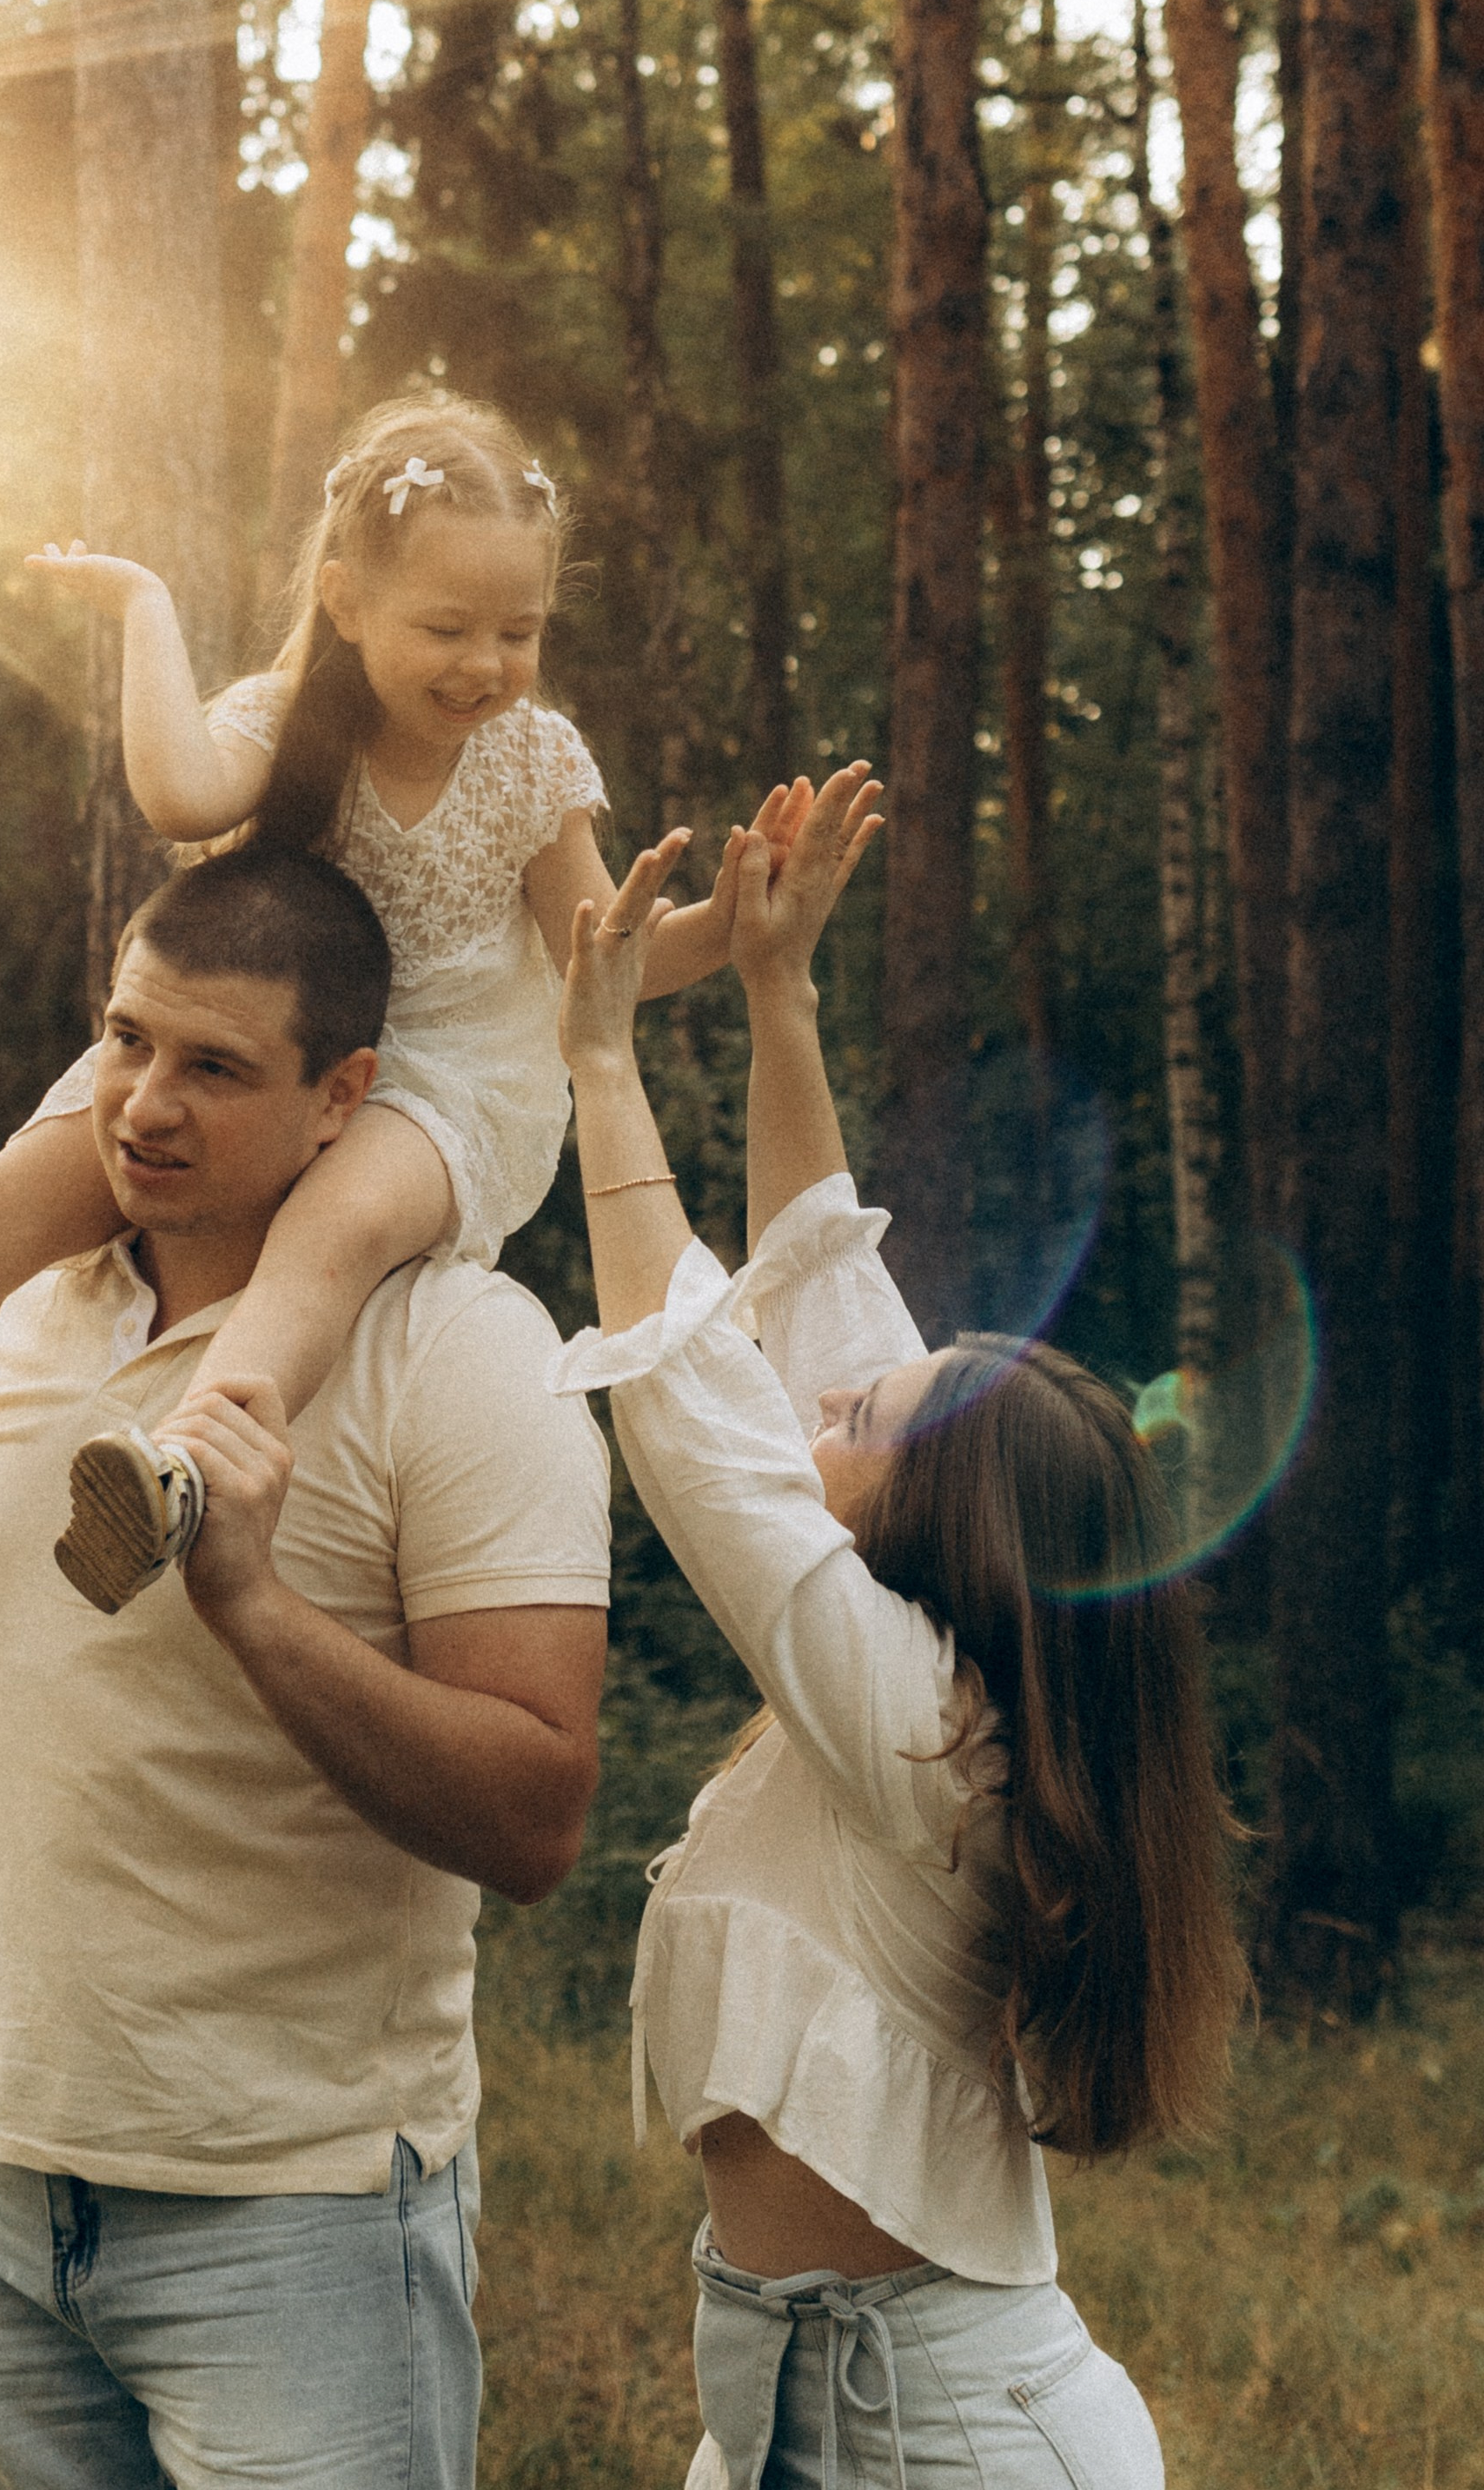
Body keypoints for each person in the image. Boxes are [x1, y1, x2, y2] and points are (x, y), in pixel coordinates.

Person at [0, 391, 750, 1635]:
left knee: (328, 1237)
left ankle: (185, 1473)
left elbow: (602, 961)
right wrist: (144, 608)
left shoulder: (535, 761)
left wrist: (736, 923)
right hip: (242, 1050)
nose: (488, 665)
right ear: (345, 603)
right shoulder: (288, 719)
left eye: (521, 631)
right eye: (447, 626)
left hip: (447, 1080)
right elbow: (181, 795)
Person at [0, 837, 612, 2488]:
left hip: (303, 2211)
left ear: (343, 1096)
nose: (143, 1103)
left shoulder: (467, 1352)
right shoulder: (33, 1307)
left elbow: (539, 1812)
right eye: (127, 1040)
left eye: (215, 1067)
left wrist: (255, 1605)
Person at [550, 770, 1246, 2490]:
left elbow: (696, 1424)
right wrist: (781, 1000)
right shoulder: (931, 1668)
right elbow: (812, 1278)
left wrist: (605, 1067)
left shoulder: (926, 1737)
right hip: (798, 2404)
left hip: (938, 2434)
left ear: (943, 1527)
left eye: (859, 1421)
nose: (825, 1407)